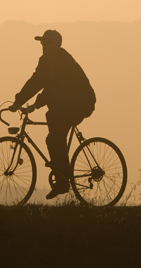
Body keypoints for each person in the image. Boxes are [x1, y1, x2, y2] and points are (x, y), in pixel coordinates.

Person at [10, 29, 96, 199]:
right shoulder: (46, 61)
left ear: (56, 45)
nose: (43, 46)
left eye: (47, 43)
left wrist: (35, 104)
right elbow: (36, 81)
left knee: (54, 136)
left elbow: (53, 88)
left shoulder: (63, 61)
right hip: (66, 103)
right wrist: (18, 101)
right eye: (42, 43)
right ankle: (62, 173)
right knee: (54, 122)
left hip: (81, 102)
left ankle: (62, 179)